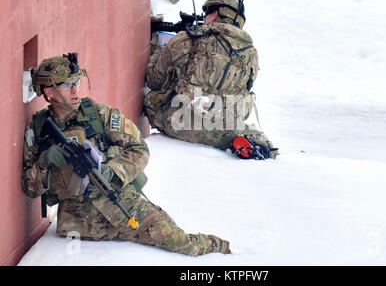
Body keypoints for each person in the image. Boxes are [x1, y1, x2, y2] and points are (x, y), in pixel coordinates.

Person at [22, 54, 230, 256]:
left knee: (178, 241)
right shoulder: (39, 130)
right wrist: (43, 163)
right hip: (80, 224)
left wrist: (111, 171)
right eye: (67, 85)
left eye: (77, 82)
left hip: (121, 204)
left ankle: (221, 250)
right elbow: (29, 189)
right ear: (49, 92)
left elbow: (139, 149)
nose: (76, 89)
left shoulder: (99, 115)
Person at [144, 0, 278, 160]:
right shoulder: (251, 54)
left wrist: (159, 49)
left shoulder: (187, 39)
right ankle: (238, 139)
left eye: (207, 13)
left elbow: (154, 79)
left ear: (215, 14)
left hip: (179, 121)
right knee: (235, 126)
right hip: (224, 124)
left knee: (151, 100)